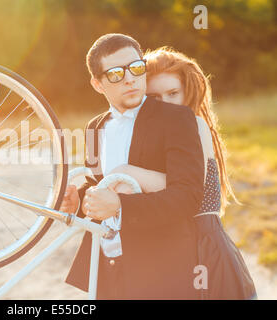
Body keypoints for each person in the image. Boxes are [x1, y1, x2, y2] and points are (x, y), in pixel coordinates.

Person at [61, 33, 206, 299]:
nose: (129, 79)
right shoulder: (94, 128)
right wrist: (78, 200)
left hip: (163, 272)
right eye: (115, 74)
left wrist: (120, 205)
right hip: (106, 269)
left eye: (136, 68)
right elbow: (100, 187)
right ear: (97, 84)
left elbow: (189, 196)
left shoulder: (176, 118)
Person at [106, 47, 256, 299]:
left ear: (187, 93)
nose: (165, 104)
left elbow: (185, 189)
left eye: (173, 94)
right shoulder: (152, 136)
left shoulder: (194, 125)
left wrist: (125, 172)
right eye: (155, 97)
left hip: (204, 250)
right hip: (174, 253)